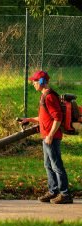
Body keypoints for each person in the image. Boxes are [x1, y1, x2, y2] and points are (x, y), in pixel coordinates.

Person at [21, 70, 73, 204]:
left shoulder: (49, 97)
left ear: (42, 82)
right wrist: (29, 119)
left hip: (52, 137)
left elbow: (58, 118)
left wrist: (50, 135)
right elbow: (44, 117)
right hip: (47, 137)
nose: (33, 84)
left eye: (35, 82)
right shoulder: (44, 96)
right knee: (48, 165)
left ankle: (65, 194)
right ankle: (53, 191)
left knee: (56, 165)